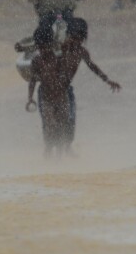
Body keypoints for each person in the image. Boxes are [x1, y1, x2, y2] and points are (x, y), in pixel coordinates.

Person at [27, 19, 120, 156]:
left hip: (65, 90)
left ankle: (65, 147)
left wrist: (107, 80)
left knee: (68, 121)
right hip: (47, 92)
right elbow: (39, 52)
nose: (76, 42)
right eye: (73, 38)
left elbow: (93, 67)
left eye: (79, 39)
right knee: (50, 124)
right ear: (67, 35)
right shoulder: (57, 49)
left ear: (83, 39)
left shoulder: (81, 52)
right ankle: (50, 148)